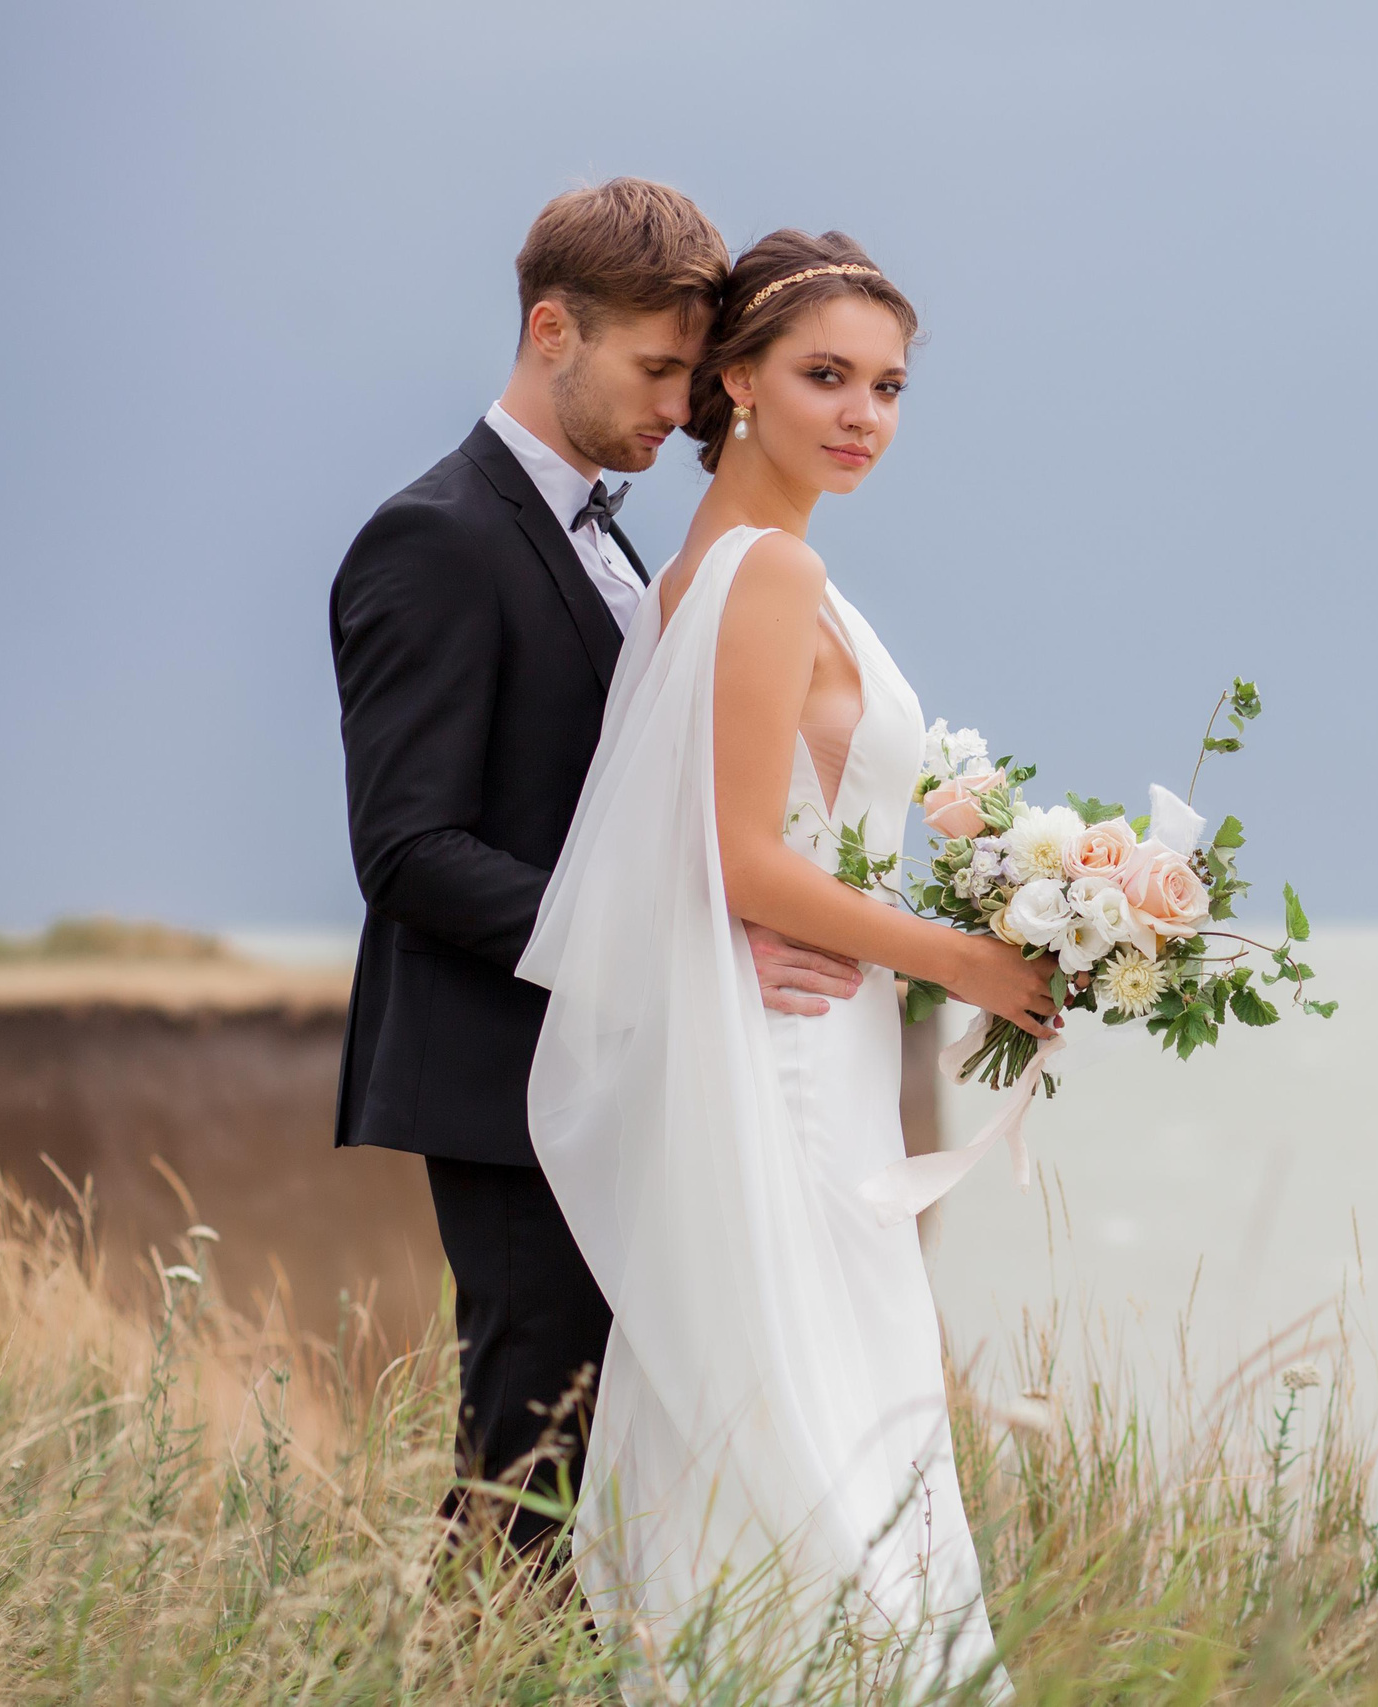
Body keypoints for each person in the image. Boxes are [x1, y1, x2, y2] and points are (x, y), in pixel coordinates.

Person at [518, 228, 1055, 1692]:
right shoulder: (755, 574)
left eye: (887, 386)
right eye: (825, 376)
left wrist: (1052, 891)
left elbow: (792, 851)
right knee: (814, 1417)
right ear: (736, 381)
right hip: (786, 1066)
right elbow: (745, 857)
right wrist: (973, 964)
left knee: (820, 1401)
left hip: (820, 1037)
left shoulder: (760, 569)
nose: (863, 414)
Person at [328, 179, 871, 1554]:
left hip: (631, 1063)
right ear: (551, 328)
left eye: (698, 376)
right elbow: (410, 849)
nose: (682, 409)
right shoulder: (434, 537)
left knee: (618, 1463)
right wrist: (673, 941)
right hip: (502, 1074)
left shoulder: (618, 535)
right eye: (658, 369)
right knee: (528, 1459)